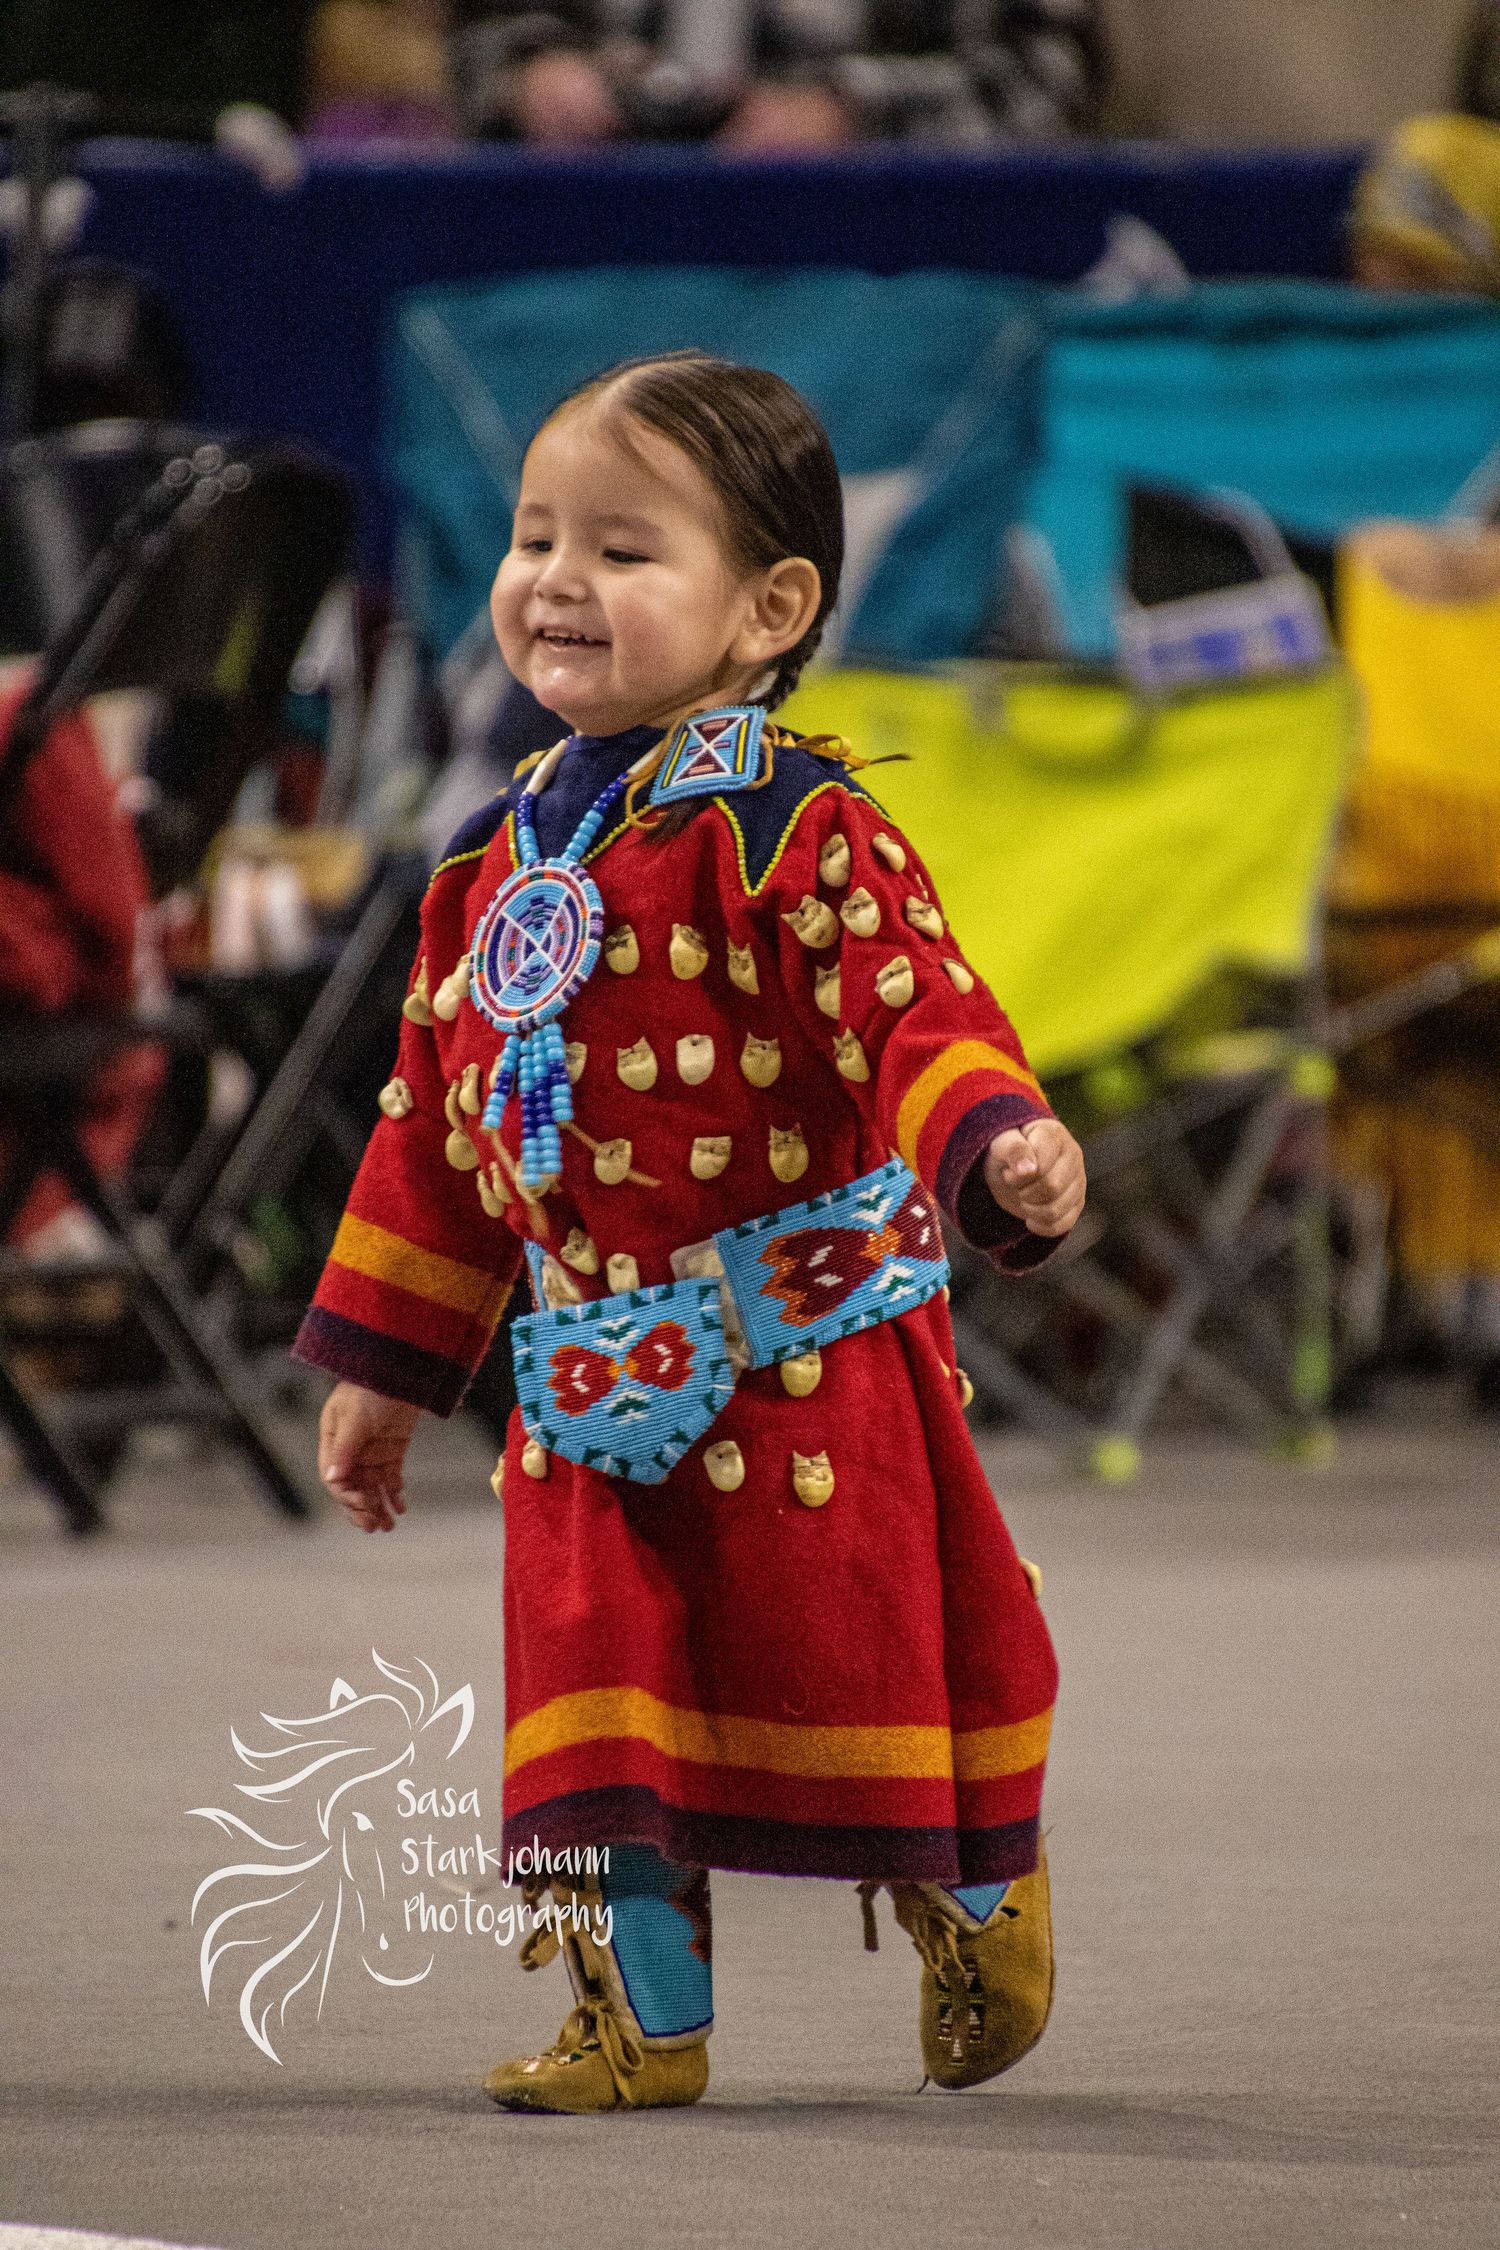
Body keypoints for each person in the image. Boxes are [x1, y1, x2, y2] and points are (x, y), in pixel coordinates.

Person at [294, 351, 1086, 2112]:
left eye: (624, 550)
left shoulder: (799, 824)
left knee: (857, 1660)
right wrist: (385, 1367)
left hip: (802, 1358)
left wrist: (998, 1140)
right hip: (585, 1375)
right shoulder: (488, 867)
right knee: (596, 1700)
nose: (557, 581)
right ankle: (635, 2019)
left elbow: (915, 1008)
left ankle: (975, 1896)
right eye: (533, 536)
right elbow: (437, 1133)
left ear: (769, 609)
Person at [450, 0, 1109, 150]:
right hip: (583, 254)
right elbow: (487, 30)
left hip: (886, 270)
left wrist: (850, 111)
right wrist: (534, 73)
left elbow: (1054, 76)